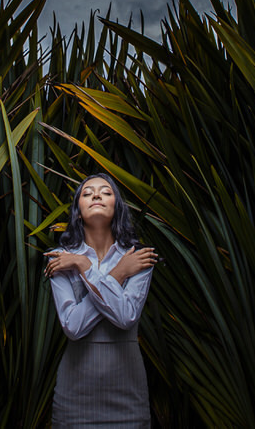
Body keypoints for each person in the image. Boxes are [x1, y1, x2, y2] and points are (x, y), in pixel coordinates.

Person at [44, 172, 159, 428]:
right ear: (77, 210)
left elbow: (125, 316)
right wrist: (117, 273)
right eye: (87, 193)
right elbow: (73, 327)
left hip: (127, 392)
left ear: (117, 206)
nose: (96, 195)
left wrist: (85, 268)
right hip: (75, 396)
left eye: (106, 192)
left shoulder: (138, 258)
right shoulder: (60, 258)